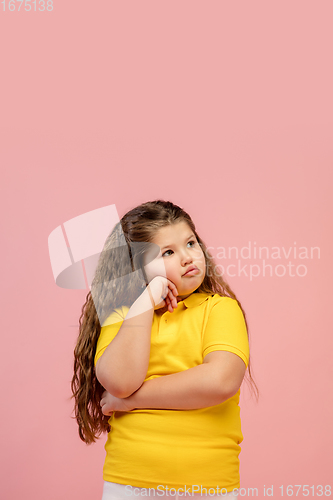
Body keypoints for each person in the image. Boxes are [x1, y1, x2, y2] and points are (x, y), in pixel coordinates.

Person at [71, 200, 259, 500]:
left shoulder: (220, 309)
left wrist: (130, 401)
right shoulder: (122, 316)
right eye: (168, 252)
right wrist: (145, 303)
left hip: (207, 484)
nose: (188, 257)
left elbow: (220, 380)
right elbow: (120, 382)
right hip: (129, 481)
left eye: (191, 243)